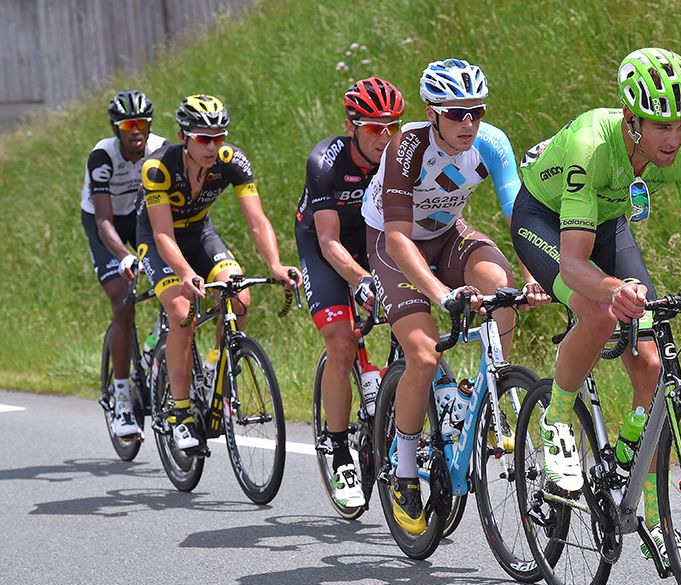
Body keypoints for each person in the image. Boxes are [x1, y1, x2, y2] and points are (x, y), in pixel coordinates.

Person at [511, 48, 681, 565]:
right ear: (631, 120)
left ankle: (653, 514)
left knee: (652, 365)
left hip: (607, 221)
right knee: (599, 311)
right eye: (660, 126)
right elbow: (572, 264)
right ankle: (558, 423)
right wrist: (612, 289)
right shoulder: (593, 144)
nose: (673, 139)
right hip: (545, 218)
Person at [361, 58, 548, 535]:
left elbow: (517, 217)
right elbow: (400, 239)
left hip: (447, 235)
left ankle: (493, 394)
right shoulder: (406, 147)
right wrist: (441, 293)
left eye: (476, 112)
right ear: (432, 112)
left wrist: (533, 277)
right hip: (393, 243)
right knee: (423, 356)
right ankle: (404, 472)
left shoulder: (492, 143)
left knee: (497, 280)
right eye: (456, 113)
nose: (469, 123)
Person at [136, 94, 301, 451]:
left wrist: (275, 264)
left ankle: (215, 370)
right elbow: (163, 234)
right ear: (183, 136)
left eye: (219, 137)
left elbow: (257, 222)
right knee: (182, 313)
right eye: (203, 138)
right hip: (158, 239)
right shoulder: (157, 168)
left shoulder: (232, 161)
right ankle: (180, 415)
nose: (213, 146)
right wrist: (184, 272)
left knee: (239, 298)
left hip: (200, 234)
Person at [295, 77, 405, 508]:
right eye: (375, 128)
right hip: (326, 245)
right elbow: (328, 243)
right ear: (351, 126)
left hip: (372, 241)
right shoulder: (325, 162)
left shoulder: (400, 157)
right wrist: (360, 280)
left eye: (391, 126)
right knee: (342, 343)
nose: (386, 136)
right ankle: (338, 449)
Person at [81, 89, 167, 437]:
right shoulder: (102, 156)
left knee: (171, 282)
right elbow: (104, 222)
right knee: (122, 300)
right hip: (105, 223)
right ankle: (122, 400)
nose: (137, 131)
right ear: (116, 128)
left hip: (140, 217)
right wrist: (125, 257)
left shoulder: (160, 150)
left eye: (142, 124)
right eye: (129, 124)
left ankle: (153, 343)